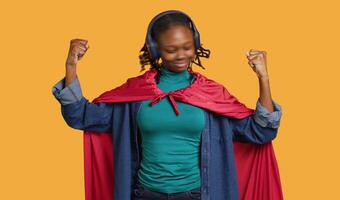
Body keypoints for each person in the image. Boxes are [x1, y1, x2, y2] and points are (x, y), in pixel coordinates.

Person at [52, 10, 283, 200]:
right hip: (145, 193)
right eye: (171, 50)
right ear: (156, 50)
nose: (181, 55)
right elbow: (80, 116)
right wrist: (71, 66)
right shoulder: (135, 95)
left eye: (187, 47)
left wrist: (263, 78)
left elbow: (262, 130)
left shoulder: (212, 96)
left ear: (196, 45)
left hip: (197, 194)